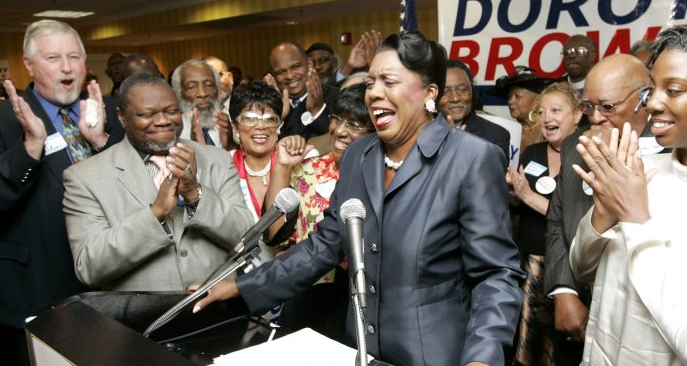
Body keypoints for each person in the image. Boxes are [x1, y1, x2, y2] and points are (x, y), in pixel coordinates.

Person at [193, 31, 524, 366]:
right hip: (361, 350)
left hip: (440, 356)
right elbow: (325, 245)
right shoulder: (359, 155)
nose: (374, 93)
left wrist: (482, 357)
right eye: (370, 82)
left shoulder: (471, 158)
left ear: (429, 92)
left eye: (388, 81)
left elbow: (495, 274)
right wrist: (242, 286)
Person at [570, 18, 687, 365]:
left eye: (673, 90)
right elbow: (583, 270)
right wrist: (602, 215)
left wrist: (635, 218)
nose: (653, 103)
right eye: (653, 88)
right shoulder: (641, 167)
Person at [0, 19, 124, 365]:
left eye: (75, 57)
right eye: (53, 58)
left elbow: (136, 189)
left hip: (107, 279)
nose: (67, 68)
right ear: (29, 64)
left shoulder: (110, 111)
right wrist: (31, 149)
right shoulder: (3, 118)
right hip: (35, 283)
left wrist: (101, 142)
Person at [63, 73, 253, 291]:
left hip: (219, 313)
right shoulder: (84, 177)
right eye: (147, 114)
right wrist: (154, 213)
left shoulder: (216, 160)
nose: (163, 121)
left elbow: (246, 237)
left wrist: (195, 193)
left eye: (171, 111)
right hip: (140, 320)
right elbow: (89, 266)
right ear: (122, 117)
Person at [543, 54, 652, 365]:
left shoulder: (669, 150)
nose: (596, 118)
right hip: (577, 305)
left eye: (608, 107)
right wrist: (564, 290)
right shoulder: (573, 145)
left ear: (643, 99)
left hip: (639, 318)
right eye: (589, 107)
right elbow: (557, 220)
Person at [263, 83, 373, 343]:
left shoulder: (384, 176)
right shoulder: (308, 170)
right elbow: (274, 233)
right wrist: (282, 167)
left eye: (355, 125)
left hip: (363, 299)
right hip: (308, 294)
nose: (341, 131)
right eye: (337, 119)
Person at [505, 82, 582, 365]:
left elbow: (572, 217)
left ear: (578, 115)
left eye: (556, 110)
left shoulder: (586, 155)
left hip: (569, 266)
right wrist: (514, 191)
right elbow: (517, 204)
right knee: (528, 340)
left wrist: (527, 194)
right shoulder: (532, 153)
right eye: (542, 112)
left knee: (564, 342)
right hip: (530, 262)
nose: (547, 118)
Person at [227, 81, 299, 260]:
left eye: (269, 119)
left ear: (279, 124)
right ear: (235, 126)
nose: (260, 126)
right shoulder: (223, 166)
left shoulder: (301, 159)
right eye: (250, 118)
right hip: (240, 276)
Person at [438, 59, 511, 161]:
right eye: (445, 92)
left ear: (472, 91)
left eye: (463, 90)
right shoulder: (421, 131)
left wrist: (458, 149)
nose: (455, 98)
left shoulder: (496, 136)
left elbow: (491, 176)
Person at [264, 42, 340, 140]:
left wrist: (317, 111)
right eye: (280, 72)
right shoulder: (268, 107)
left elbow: (340, 141)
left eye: (295, 67)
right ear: (273, 75)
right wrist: (278, 118)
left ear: (309, 63)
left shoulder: (337, 97)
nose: (289, 76)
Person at [172, 59, 234, 150]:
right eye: (192, 86)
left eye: (209, 84)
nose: (202, 93)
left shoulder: (238, 117)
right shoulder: (175, 130)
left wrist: (231, 145)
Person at [493, 68, 553, 153]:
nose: (510, 101)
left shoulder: (548, 131)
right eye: (509, 97)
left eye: (517, 96)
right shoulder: (512, 133)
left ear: (538, 100)